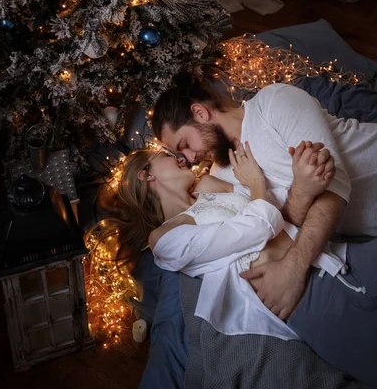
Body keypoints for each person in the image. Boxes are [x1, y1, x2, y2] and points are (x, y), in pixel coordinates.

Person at [96, 141, 377, 385]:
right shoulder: (165, 240)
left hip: (333, 256)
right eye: (168, 156)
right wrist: (256, 184)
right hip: (308, 298)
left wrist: (299, 183)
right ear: (146, 175)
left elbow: (277, 216)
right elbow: (259, 225)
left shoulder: (208, 185)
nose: (182, 158)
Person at [151, 76, 377, 321]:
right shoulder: (221, 175)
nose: (190, 158)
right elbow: (280, 224)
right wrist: (300, 190)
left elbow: (334, 187)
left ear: (200, 113)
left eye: (184, 144)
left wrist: (293, 268)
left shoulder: (274, 102)